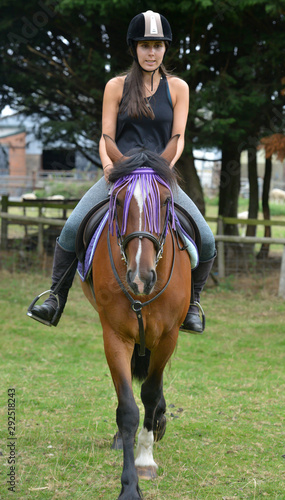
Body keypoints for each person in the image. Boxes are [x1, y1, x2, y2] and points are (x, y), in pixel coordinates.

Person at [27, 10, 216, 334]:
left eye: (157, 45)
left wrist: (163, 170)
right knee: (72, 228)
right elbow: (107, 136)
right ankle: (55, 298)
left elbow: (178, 137)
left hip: (159, 175)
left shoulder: (178, 88)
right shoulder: (115, 86)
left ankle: (192, 306)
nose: (152, 52)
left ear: (165, 48)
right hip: (121, 173)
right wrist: (109, 168)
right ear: (134, 48)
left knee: (208, 239)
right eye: (145, 45)